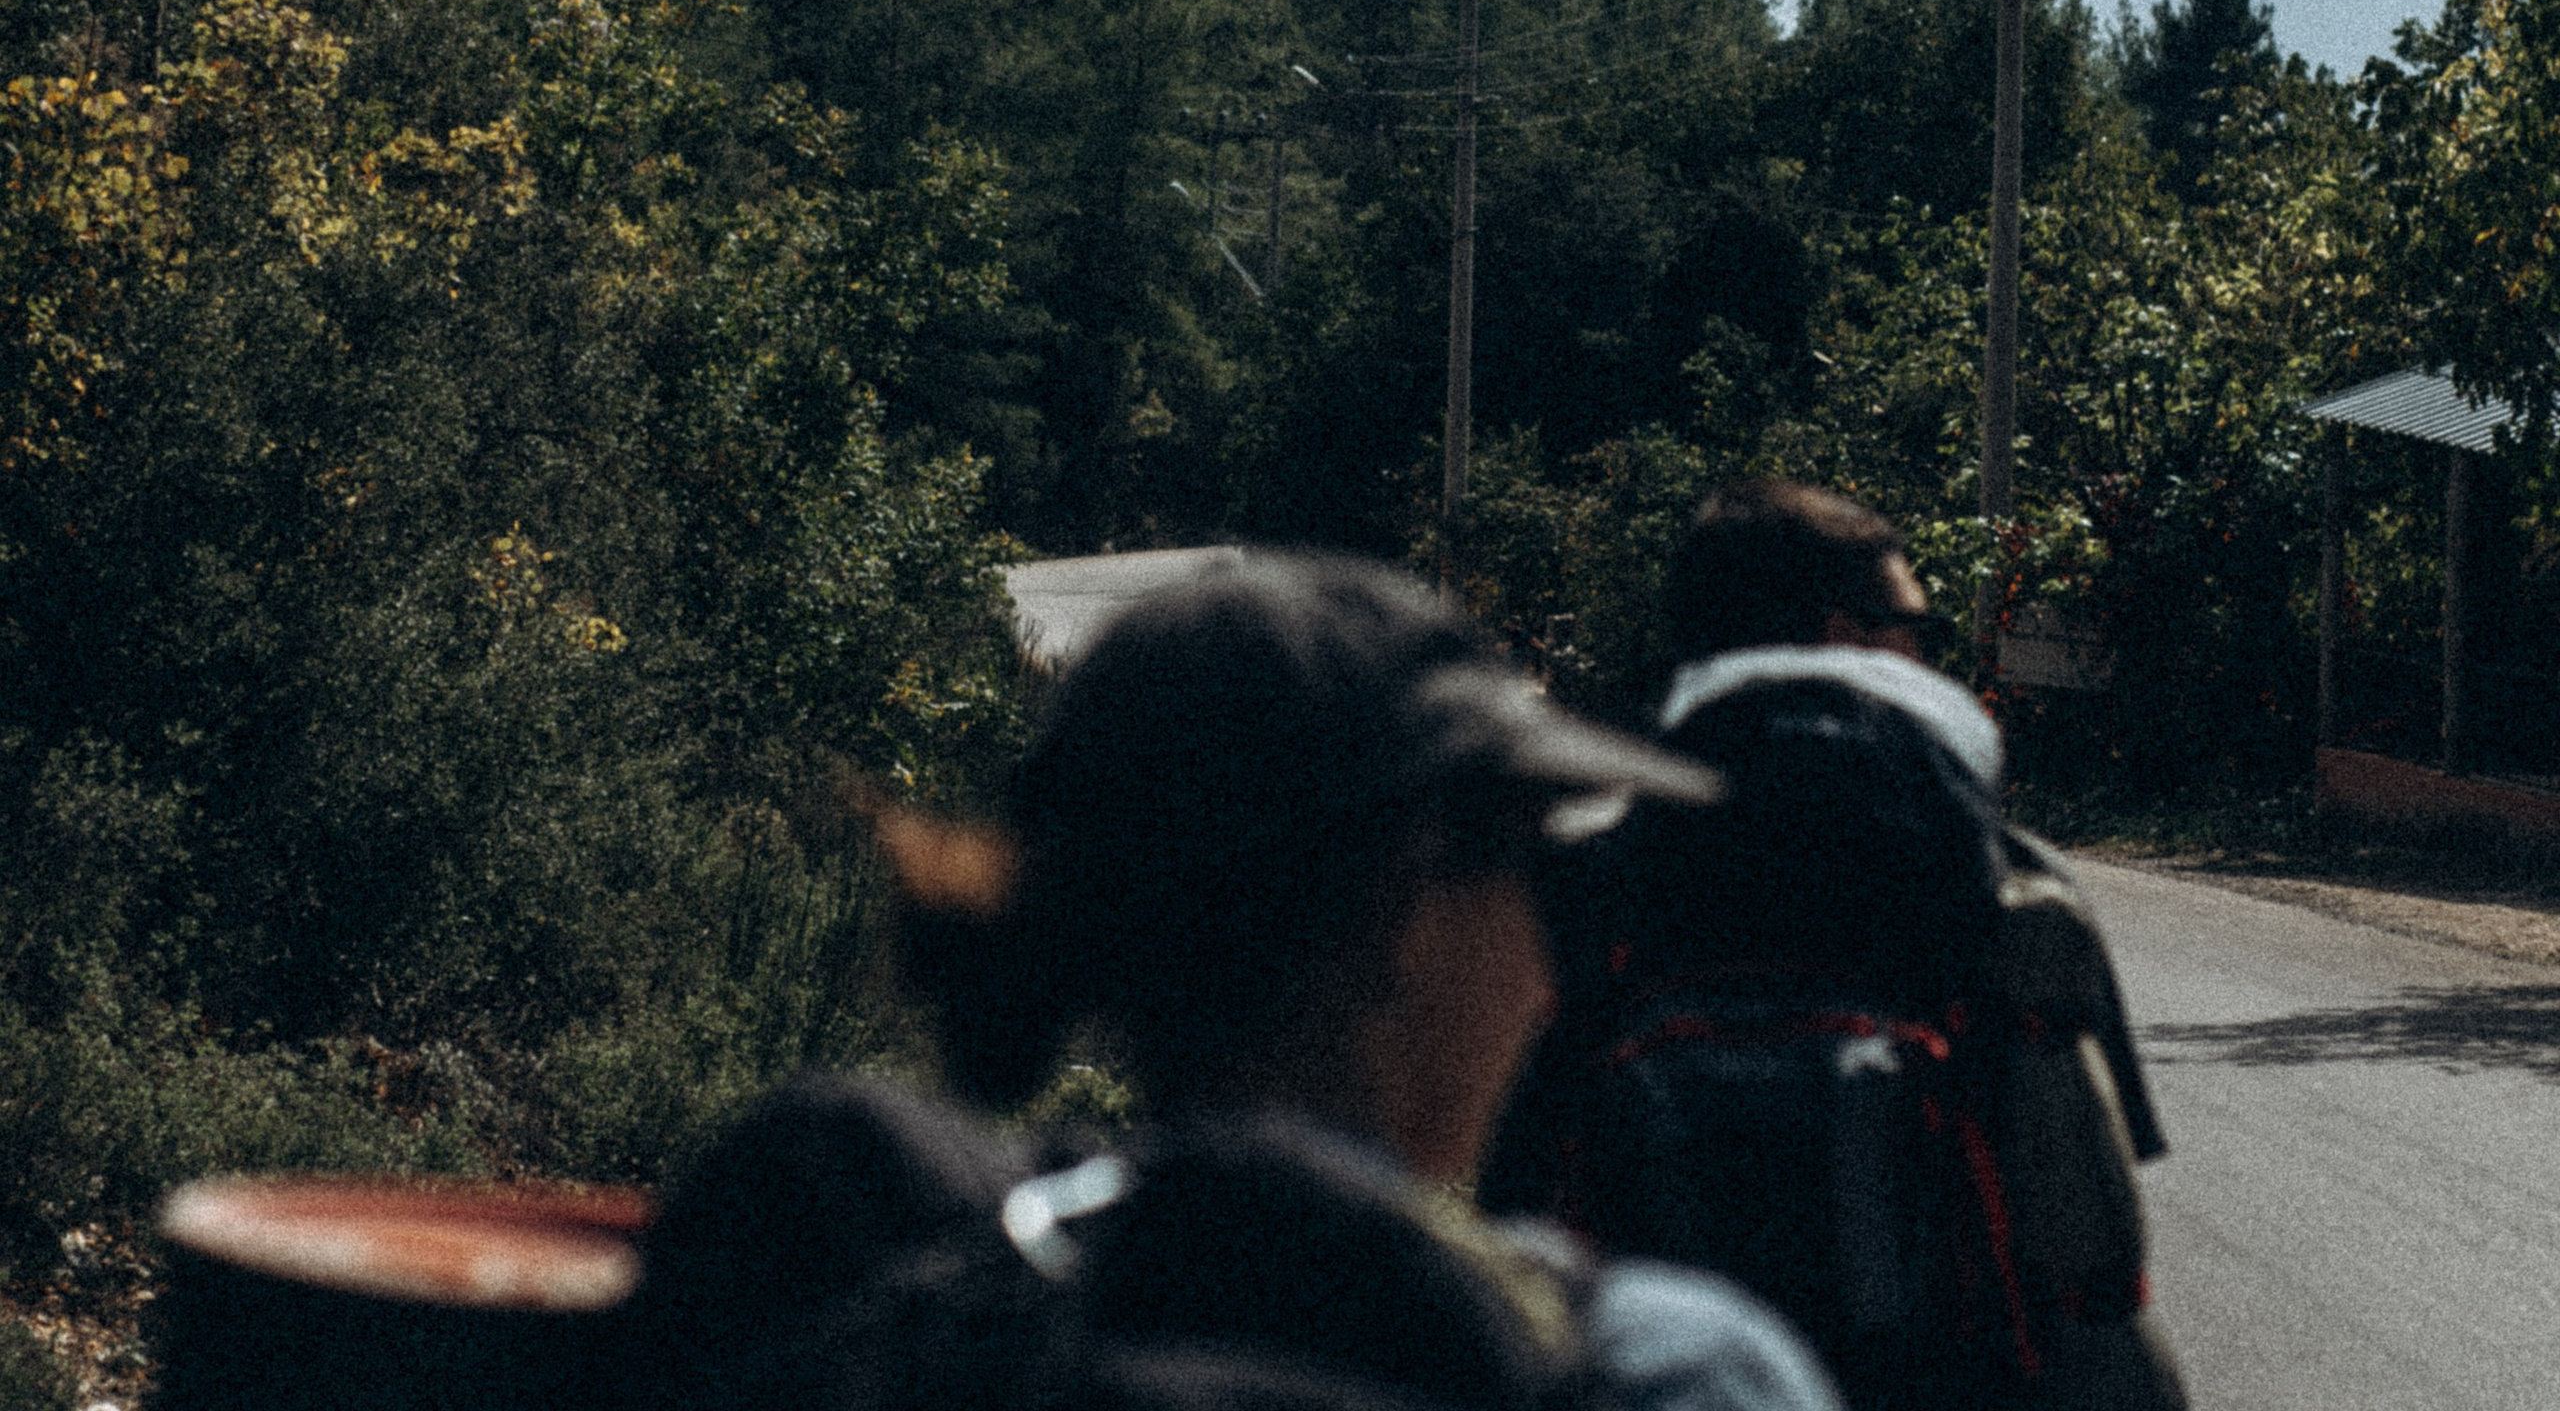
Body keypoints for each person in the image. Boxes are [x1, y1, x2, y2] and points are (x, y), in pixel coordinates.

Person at [628, 552, 1843, 1411]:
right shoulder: (1664, 1368)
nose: (1546, 962)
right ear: (1412, 913)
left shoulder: (870, 1283)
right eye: (1535, 868)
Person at [1480, 480, 2186, 1411]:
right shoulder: (2006, 877)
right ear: (1845, 634)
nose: (1928, 656)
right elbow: (2092, 1240)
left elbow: (1503, 1200)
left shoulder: (1584, 875)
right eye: (1919, 628)